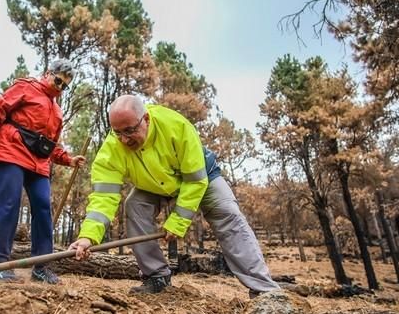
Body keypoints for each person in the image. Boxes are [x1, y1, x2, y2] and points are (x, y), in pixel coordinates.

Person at [68, 94, 279, 296]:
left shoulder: (177, 127)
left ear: (146, 119)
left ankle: (263, 288)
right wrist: (88, 236)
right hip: (153, 185)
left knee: (227, 213)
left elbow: (196, 180)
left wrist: (178, 221)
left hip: (199, 178)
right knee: (135, 205)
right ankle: (156, 276)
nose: (124, 139)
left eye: (130, 130)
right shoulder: (111, 150)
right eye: (118, 132)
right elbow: (104, 198)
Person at [0, 59, 85, 284]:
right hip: (11, 151)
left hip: (39, 163)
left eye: (65, 86)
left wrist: (67, 159)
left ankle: (41, 267)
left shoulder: (57, 111)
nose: (59, 87)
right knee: (9, 203)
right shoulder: (25, 87)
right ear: (48, 73)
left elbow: (49, 144)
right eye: (58, 80)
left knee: (43, 207)